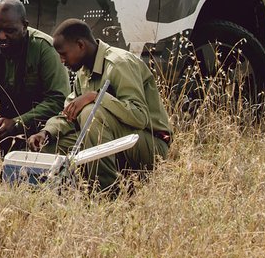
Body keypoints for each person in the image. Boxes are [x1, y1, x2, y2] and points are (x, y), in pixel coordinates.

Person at [27, 19, 172, 190]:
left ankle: (105, 194)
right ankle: (60, 192)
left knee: (91, 113)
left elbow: (139, 117)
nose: (61, 61)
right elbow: (70, 113)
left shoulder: (119, 63)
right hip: (113, 138)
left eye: (64, 54)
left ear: (81, 45)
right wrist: (46, 132)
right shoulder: (83, 71)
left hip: (150, 144)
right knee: (50, 147)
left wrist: (96, 97)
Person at [0, 0, 69, 167]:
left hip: (34, 123)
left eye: (9, 31)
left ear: (25, 26)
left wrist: (19, 123)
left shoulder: (44, 48)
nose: (1, 36)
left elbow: (57, 99)